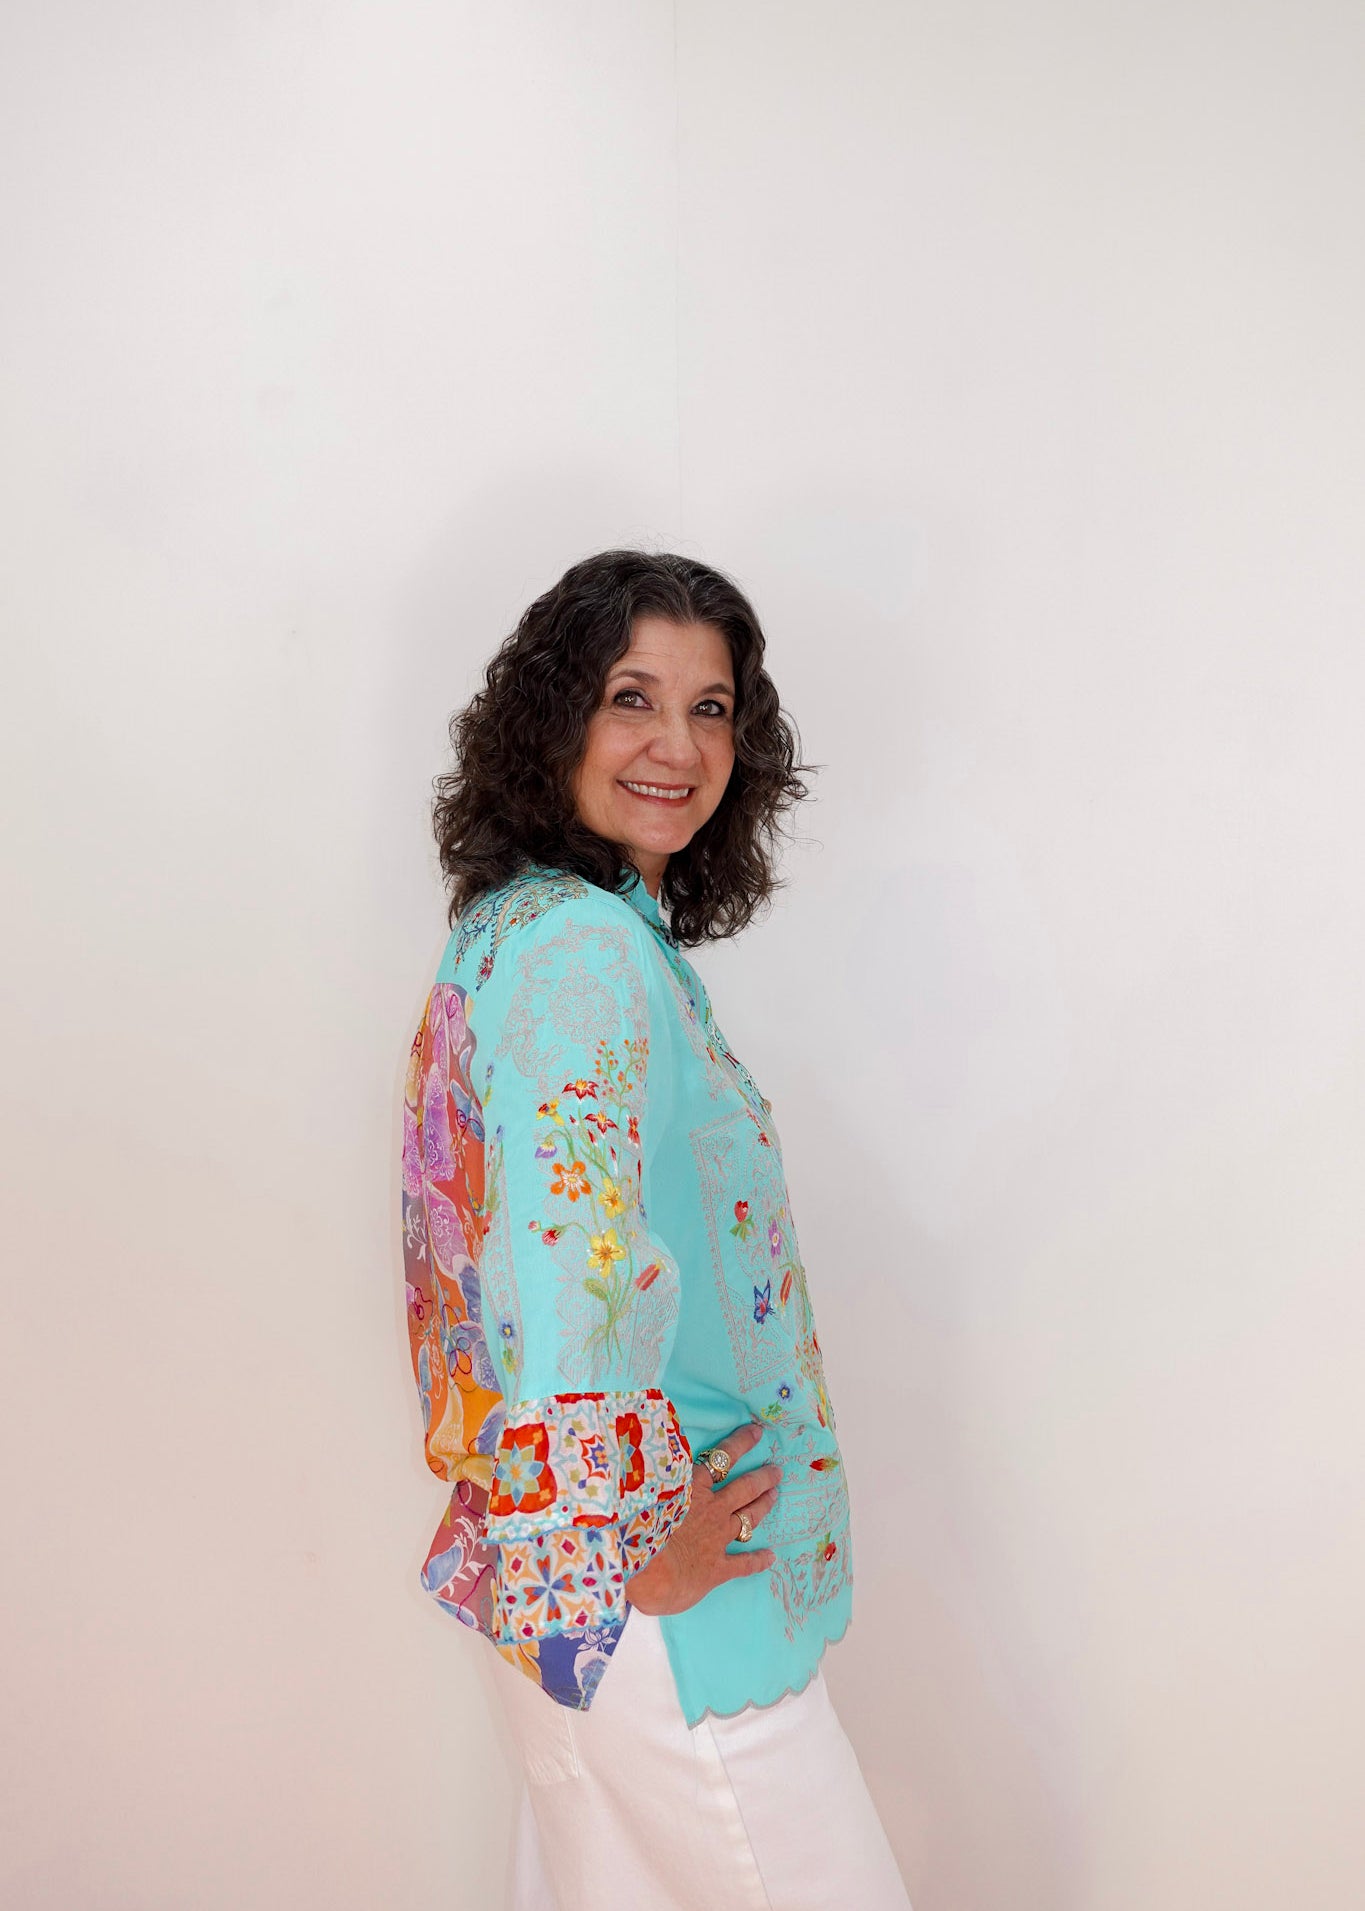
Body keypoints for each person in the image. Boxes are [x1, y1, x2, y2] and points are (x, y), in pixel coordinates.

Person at [401, 550, 910, 1909]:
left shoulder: (522, 931)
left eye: (713, 707)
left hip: (563, 1590)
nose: (677, 746)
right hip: (663, 1600)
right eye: (632, 696)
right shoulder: (579, 950)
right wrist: (633, 1535)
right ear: (553, 716)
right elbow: (564, 1266)